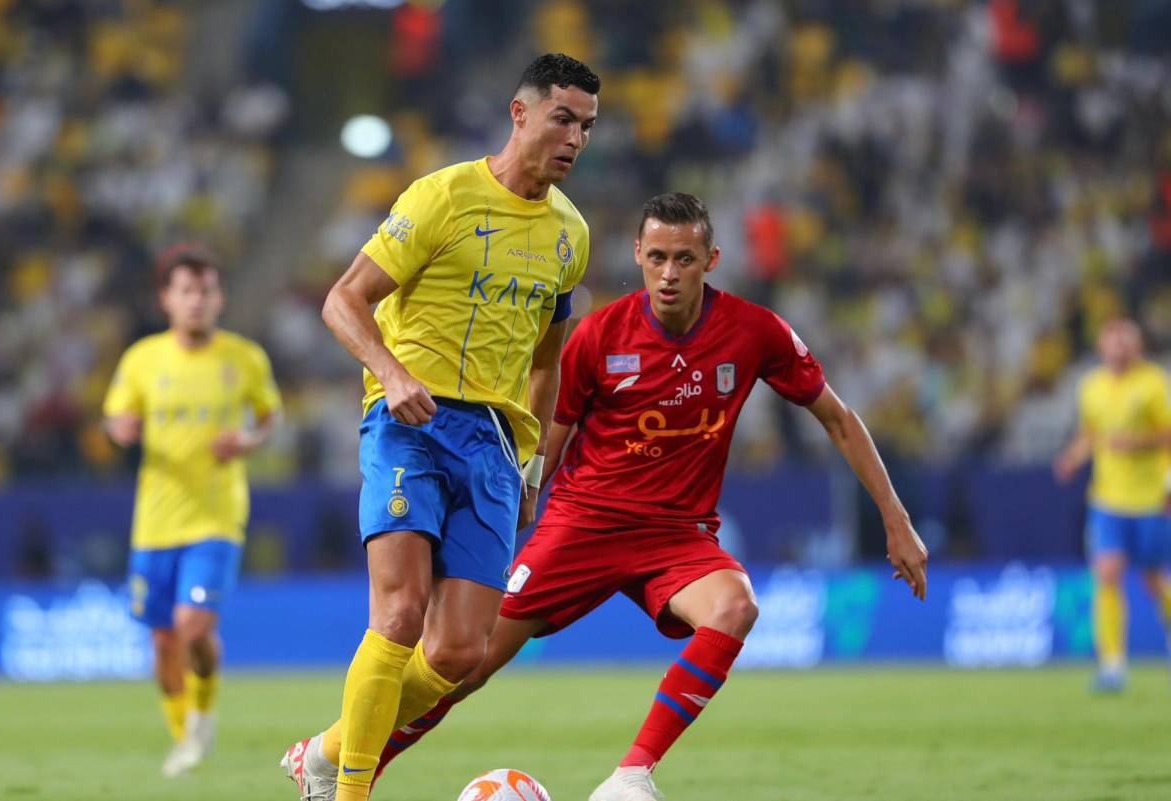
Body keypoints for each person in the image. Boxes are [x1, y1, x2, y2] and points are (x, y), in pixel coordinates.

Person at [292, 192, 929, 801]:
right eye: (657, 258)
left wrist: (895, 520)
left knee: (735, 607)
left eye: (684, 259)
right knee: (463, 663)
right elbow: (551, 436)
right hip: (581, 525)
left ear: (712, 261)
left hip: (677, 535)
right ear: (637, 257)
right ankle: (342, 759)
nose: (670, 273)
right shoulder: (599, 336)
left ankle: (631, 775)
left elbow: (840, 418)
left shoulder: (753, 332)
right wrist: (522, 502)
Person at [280, 53, 600, 801]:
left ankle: (326, 751)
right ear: (519, 113)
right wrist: (392, 376)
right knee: (398, 612)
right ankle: (349, 793)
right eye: (563, 119)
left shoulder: (571, 236)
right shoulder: (442, 196)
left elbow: (546, 366)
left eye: (587, 126)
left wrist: (534, 465)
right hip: (408, 426)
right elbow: (343, 300)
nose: (576, 139)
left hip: (493, 443)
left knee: (458, 651)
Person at [103, 244, 281, 776]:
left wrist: (247, 442)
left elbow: (269, 419)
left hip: (215, 517)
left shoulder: (244, 358)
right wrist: (121, 430)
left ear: (218, 297)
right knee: (163, 641)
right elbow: (115, 418)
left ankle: (201, 721)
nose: (197, 301)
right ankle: (185, 735)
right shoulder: (142, 359)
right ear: (167, 300)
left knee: (193, 626)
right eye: (186, 292)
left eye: (206, 291)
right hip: (155, 522)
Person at [1054, 318, 1171, 692]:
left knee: (1155, 581)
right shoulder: (1092, 387)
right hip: (1107, 498)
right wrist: (1073, 457)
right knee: (1107, 571)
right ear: (1102, 348)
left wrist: (1136, 443)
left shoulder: (1153, 383)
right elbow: (1091, 433)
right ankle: (1113, 664)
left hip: (1151, 498)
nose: (1118, 349)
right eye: (1112, 342)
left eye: (1125, 342)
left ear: (1136, 347)